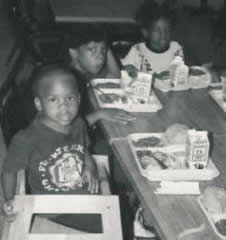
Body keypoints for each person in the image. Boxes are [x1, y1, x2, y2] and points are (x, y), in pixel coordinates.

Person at [1, 64, 102, 232]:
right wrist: (10, 200)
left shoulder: (79, 124)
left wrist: (90, 166)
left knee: (117, 209)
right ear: (39, 104)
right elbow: (9, 171)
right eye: (53, 100)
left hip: (80, 193)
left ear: (78, 98)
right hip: (53, 210)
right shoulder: (26, 139)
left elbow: (84, 150)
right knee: (112, 223)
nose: (63, 107)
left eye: (69, 98)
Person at [122, 0, 184, 77]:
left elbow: (181, 71)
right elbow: (125, 70)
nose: (163, 34)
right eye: (157, 30)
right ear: (146, 32)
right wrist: (130, 70)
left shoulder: (176, 48)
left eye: (167, 29)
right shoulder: (137, 50)